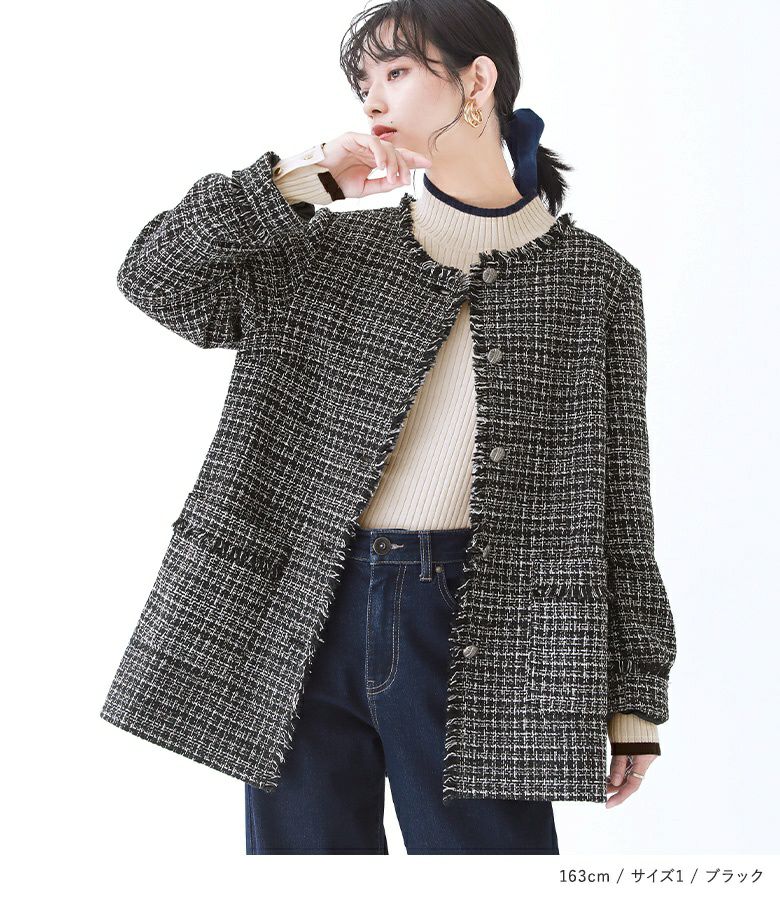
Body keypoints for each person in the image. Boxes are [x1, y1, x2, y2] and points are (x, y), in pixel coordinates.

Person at [102, 0, 675, 855]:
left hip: (489, 620)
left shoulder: (595, 282)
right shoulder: (324, 251)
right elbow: (154, 277)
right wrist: (304, 181)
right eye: (362, 82)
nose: (372, 99)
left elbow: (621, 501)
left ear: (477, 80)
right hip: (302, 599)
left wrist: (634, 695)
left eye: (397, 71)